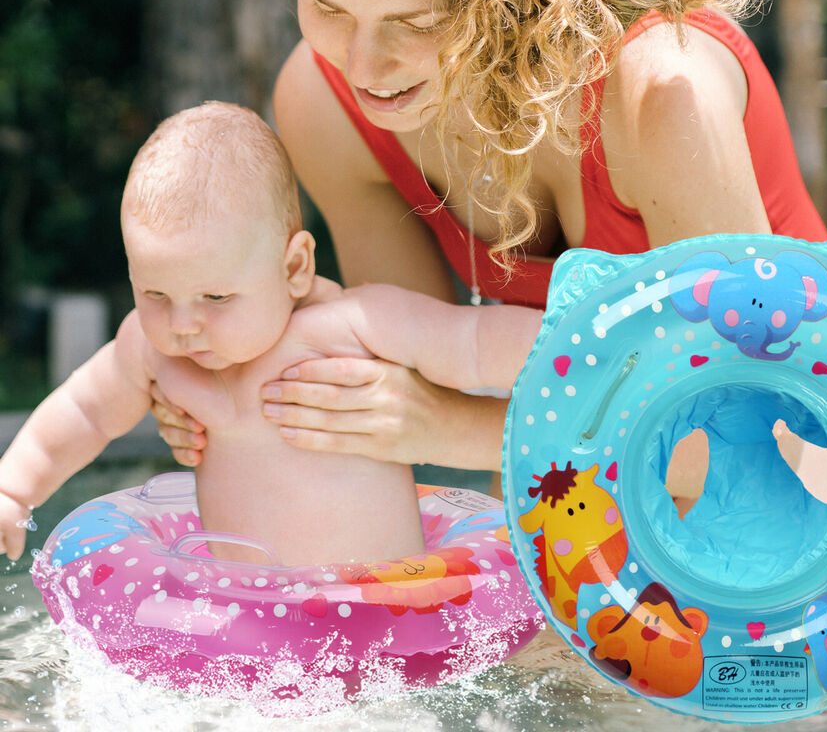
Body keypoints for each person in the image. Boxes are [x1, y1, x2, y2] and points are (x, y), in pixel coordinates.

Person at [152, 0, 827, 489]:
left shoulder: (664, 94)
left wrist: (456, 428)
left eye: (415, 23)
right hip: (583, 503)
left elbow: (750, 440)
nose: (361, 63)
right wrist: (231, 387)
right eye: (328, 7)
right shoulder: (326, 105)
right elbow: (396, 367)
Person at [0, 102, 541, 564]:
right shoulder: (150, 350)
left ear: (293, 268)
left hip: (381, 614)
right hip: (245, 619)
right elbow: (84, 412)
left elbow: (475, 343)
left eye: (215, 297)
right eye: (155, 295)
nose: (183, 325)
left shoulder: (357, 325)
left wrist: (581, 347)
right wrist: (13, 489)